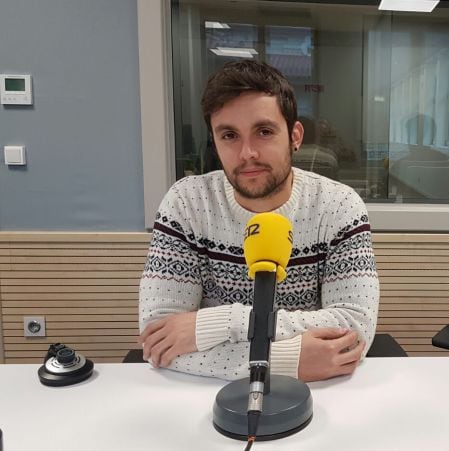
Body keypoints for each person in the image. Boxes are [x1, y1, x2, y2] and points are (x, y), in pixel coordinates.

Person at [138, 60, 379, 381]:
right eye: (229, 135)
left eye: (264, 131)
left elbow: (353, 329)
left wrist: (214, 325)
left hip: (317, 392)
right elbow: (159, 339)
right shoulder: (187, 203)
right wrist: (284, 360)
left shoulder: (338, 206)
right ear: (214, 141)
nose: (247, 153)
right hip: (205, 392)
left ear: (295, 136)